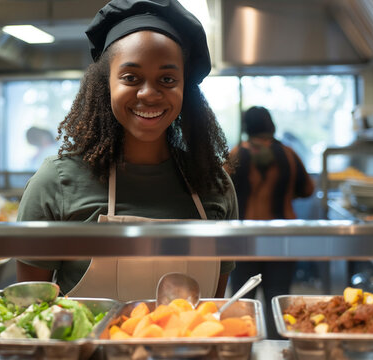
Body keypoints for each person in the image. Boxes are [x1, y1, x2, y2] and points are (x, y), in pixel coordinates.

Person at [16, 0, 238, 301]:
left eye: (167, 79)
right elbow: (32, 313)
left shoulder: (214, 185)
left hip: (188, 349)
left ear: (185, 89)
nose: (149, 93)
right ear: (106, 84)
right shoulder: (55, 183)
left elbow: (214, 310)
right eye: (131, 78)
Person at [226, 106, 315, 338]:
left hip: (244, 239)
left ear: (247, 127)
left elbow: (220, 192)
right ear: (271, 125)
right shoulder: (288, 153)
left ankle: (242, 348)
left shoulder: (236, 154)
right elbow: (308, 189)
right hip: (283, 238)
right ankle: (279, 348)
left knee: (242, 300)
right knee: (278, 298)